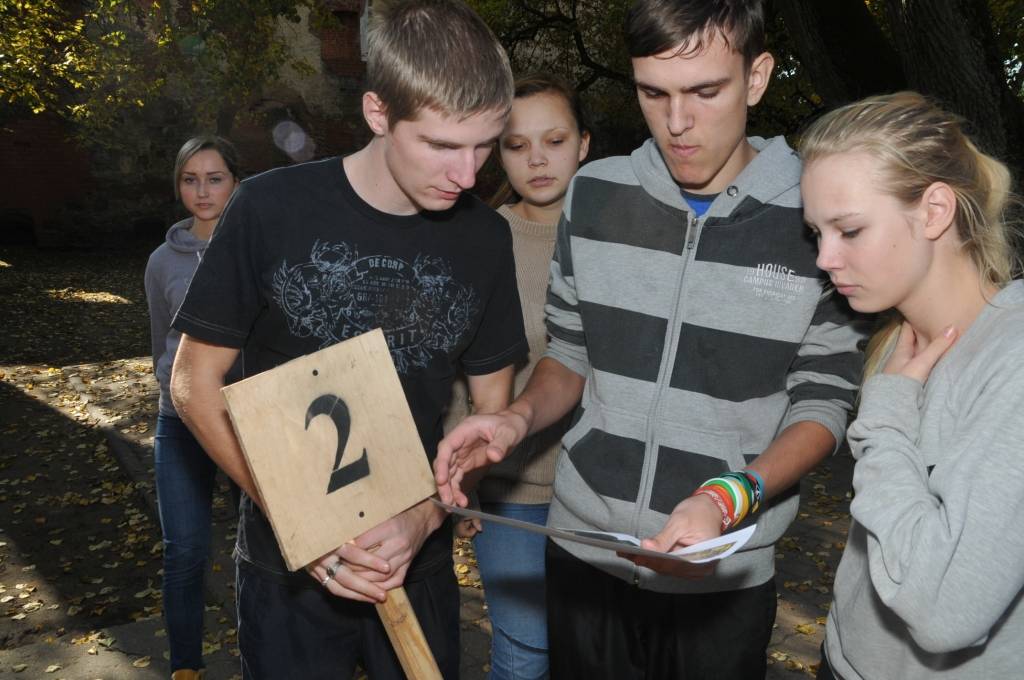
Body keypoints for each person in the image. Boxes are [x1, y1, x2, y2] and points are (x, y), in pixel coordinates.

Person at [435, 0, 866, 677]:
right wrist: (514, 419)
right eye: (653, 93)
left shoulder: (815, 219)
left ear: (756, 78)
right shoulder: (596, 195)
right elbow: (570, 354)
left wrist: (726, 498)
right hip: (584, 554)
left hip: (723, 573)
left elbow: (823, 403)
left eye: (705, 91)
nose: (677, 124)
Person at [168, 1, 527, 678]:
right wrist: (303, 528)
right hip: (289, 573)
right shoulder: (270, 208)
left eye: (486, 144)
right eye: (443, 145)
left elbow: (490, 416)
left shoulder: (485, 236)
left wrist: (423, 518)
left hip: (415, 563)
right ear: (377, 114)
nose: (468, 174)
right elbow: (192, 382)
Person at [800, 92, 1024, 680]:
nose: (825, 257)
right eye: (817, 231)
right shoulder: (896, 343)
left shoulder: (1014, 361)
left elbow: (944, 608)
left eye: (849, 230)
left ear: (933, 211)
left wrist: (889, 413)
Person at [445, 72, 590, 680]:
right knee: (527, 650)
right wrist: (462, 475)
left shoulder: (624, 236)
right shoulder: (478, 239)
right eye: (516, 144)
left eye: (554, 141)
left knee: (590, 654)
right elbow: (457, 367)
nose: (536, 159)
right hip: (511, 489)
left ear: (584, 144)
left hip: (606, 497)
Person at [144, 135, 240, 680]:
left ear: (235, 182)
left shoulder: (254, 246)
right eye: (190, 179)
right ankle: (186, 667)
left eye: (215, 177)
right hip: (179, 423)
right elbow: (162, 343)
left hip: (242, 417)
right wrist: (171, 392)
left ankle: (268, 652)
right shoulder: (161, 262)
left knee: (264, 545)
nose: (202, 190)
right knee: (184, 550)